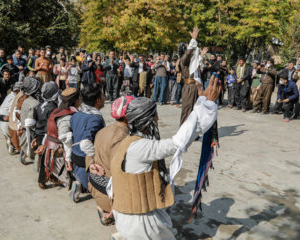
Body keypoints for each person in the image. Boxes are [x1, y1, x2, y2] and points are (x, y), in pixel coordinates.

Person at [108, 75, 220, 240]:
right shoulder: (141, 148)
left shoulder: (128, 143)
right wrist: (206, 105)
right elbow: (179, 141)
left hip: (128, 216)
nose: (158, 119)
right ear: (147, 122)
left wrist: (201, 100)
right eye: (155, 116)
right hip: (139, 222)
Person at [88, 96, 134, 226]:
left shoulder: (102, 131)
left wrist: (91, 164)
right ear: (126, 117)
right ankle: (111, 214)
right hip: (109, 198)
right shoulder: (122, 138)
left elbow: (89, 153)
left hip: (96, 188)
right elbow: (119, 175)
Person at [69, 85, 106, 202]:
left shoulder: (76, 115)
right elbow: (85, 143)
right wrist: (95, 159)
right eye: (103, 95)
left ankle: (79, 184)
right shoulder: (95, 118)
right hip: (85, 160)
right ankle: (103, 208)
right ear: (98, 100)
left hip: (74, 157)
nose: (105, 97)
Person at [42, 88, 81, 188]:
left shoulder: (56, 111)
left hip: (51, 147)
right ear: (76, 100)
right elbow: (66, 140)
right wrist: (68, 160)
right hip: (58, 152)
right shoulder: (65, 117)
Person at [179, 27, 208, 124]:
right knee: (187, 110)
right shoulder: (183, 59)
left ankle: (192, 132)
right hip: (189, 87)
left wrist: (201, 56)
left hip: (194, 86)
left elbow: (195, 64)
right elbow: (189, 53)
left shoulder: (189, 61)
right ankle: (183, 132)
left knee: (195, 111)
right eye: (187, 47)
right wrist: (193, 40)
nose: (189, 48)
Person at [33, 82, 59, 189]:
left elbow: (35, 122)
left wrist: (34, 136)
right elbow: (50, 125)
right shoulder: (53, 107)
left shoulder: (39, 106)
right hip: (46, 136)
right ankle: (42, 180)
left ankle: (49, 176)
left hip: (38, 134)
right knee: (46, 159)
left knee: (44, 158)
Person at [17, 76, 41, 164]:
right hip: (30, 133)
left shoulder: (25, 100)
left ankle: (22, 156)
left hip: (23, 130)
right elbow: (31, 123)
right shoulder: (36, 103)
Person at [0, 82, 23, 154]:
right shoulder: (15, 98)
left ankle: (9, 139)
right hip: (5, 122)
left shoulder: (9, 95)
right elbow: (12, 111)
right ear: (18, 90)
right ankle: (14, 144)